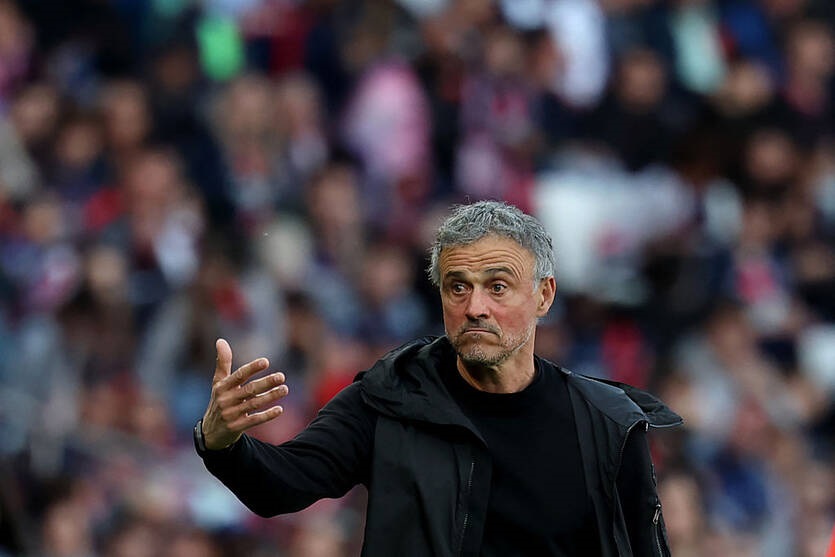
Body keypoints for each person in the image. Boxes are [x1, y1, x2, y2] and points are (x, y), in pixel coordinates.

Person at [194, 200, 682, 556]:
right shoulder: (388, 398)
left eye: (497, 287)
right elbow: (282, 485)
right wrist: (221, 442)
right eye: (457, 287)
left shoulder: (608, 425)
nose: (475, 307)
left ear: (544, 296)